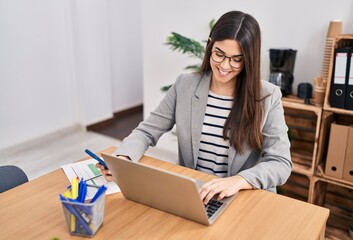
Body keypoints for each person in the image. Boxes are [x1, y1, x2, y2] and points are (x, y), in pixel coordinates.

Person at [97, 10, 292, 205]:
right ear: (210, 45)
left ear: (249, 58)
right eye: (219, 54)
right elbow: (148, 131)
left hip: (242, 199)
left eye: (236, 59)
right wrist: (123, 157)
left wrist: (238, 181)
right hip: (194, 194)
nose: (224, 65)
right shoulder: (185, 85)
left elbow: (280, 163)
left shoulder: (267, 96)